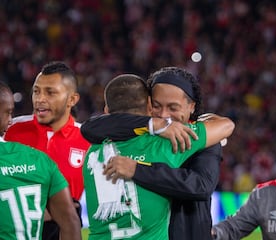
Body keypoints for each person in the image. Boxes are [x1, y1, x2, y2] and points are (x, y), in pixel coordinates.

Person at [83, 74, 234, 239]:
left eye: (173, 108)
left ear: (191, 106)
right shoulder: (157, 142)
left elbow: (200, 186)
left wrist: (138, 169)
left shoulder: (94, 151)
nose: (163, 115)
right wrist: (151, 125)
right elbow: (89, 127)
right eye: (157, 106)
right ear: (148, 105)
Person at [4, 61, 90, 239]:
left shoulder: (88, 140)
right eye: (36, 91)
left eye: (50, 92)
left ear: (72, 99)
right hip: (19, 230)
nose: (40, 99)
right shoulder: (11, 130)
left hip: (66, 229)